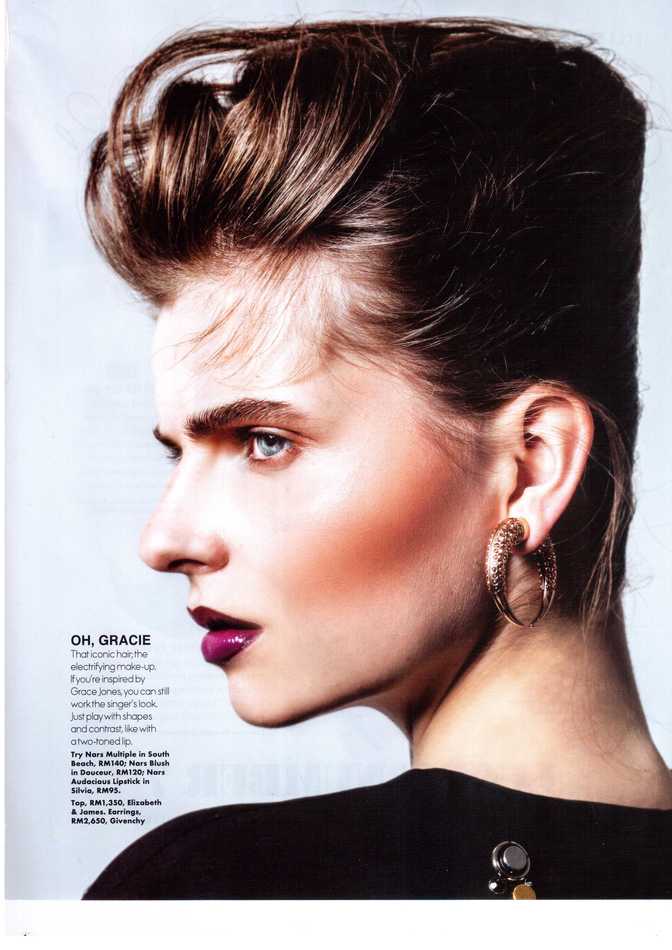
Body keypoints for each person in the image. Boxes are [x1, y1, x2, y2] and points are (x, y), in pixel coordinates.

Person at [81, 17, 672, 899]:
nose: (163, 541)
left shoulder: (220, 890)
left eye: (265, 441)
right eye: (178, 453)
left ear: (533, 465)